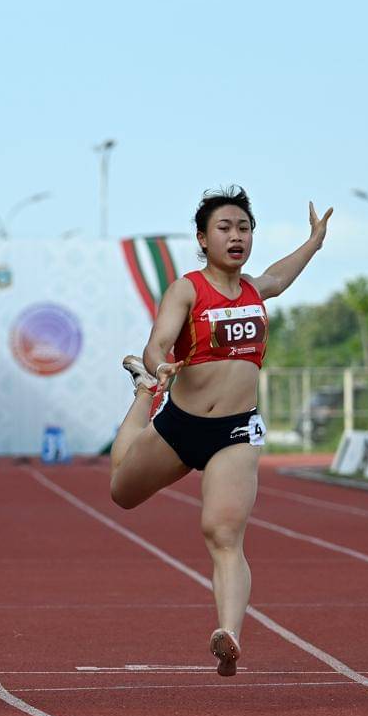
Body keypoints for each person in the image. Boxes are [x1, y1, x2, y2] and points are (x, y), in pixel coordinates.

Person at [109, 186, 331, 676]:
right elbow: (160, 341)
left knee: (223, 531)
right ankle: (143, 395)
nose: (236, 237)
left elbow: (280, 275)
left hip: (235, 430)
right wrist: (159, 368)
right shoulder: (187, 289)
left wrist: (313, 242)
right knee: (121, 491)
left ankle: (228, 634)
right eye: (225, 229)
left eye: (244, 228)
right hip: (180, 426)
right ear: (202, 239)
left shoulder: (255, 289)